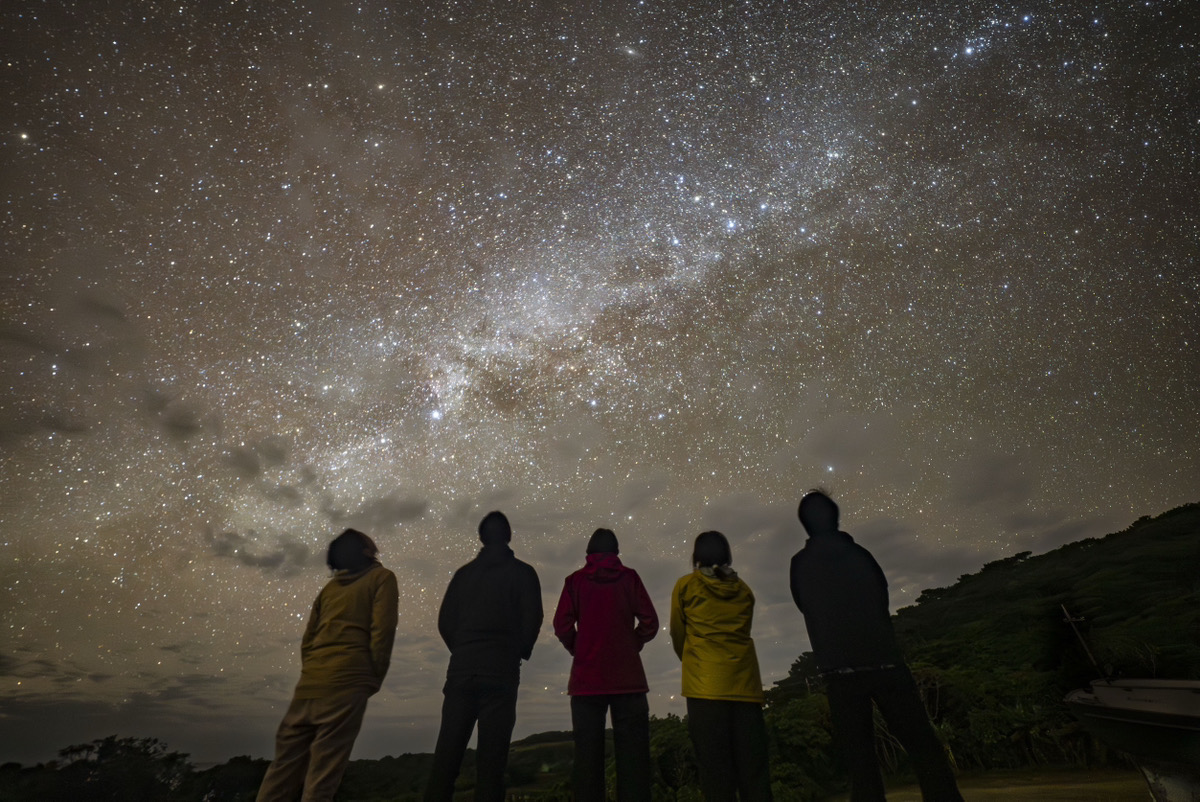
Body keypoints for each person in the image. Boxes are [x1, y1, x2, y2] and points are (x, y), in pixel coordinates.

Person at [790, 490, 963, 802]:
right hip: (886, 660)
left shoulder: (800, 564)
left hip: (840, 671)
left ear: (804, 524)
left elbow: (805, 606)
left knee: (860, 763)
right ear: (836, 517)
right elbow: (881, 599)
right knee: (923, 748)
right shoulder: (861, 555)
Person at [256, 528, 398, 802]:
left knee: (281, 773)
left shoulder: (329, 589)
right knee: (322, 777)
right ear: (367, 552)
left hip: (309, 685)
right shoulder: (382, 578)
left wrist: (313, 670)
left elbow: (308, 640)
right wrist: (373, 676)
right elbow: (383, 631)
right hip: (348, 682)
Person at [424, 511, 543, 802]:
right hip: (501, 672)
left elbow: (444, 621)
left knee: (446, 757)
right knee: (492, 763)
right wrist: (518, 651)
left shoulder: (464, 575)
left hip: (462, 671)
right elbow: (533, 617)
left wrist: (463, 649)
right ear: (509, 536)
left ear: (480, 538)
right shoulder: (523, 573)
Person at [553, 528, 658, 802]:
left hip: (587, 682)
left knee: (587, 762)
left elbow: (561, 625)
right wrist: (632, 644)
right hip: (629, 680)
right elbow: (650, 622)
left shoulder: (575, 581)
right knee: (634, 762)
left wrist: (578, 648)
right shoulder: (630, 578)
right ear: (616, 553)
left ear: (588, 554)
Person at [670, 531, 773, 802]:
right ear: (727, 555)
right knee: (754, 772)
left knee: (715, 774)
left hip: (704, 690)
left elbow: (678, 633)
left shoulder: (685, 586)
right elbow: (744, 630)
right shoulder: (744, 589)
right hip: (746, 687)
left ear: (696, 557)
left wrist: (693, 661)